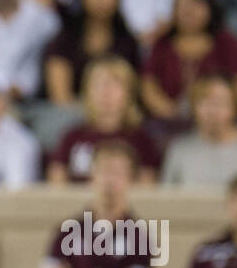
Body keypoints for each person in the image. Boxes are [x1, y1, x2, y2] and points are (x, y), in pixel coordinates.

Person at [49, 56, 159, 184]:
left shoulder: (141, 140)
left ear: (129, 92)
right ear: (87, 91)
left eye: (115, 84)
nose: (106, 92)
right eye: (98, 84)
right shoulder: (72, 137)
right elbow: (56, 187)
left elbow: (147, 191)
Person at [161, 74, 237, 186]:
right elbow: (167, 200)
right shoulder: (180, 149)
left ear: (235, 107)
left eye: (221, 103)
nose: (212, 111)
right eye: (205, 102)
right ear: (193, 107)